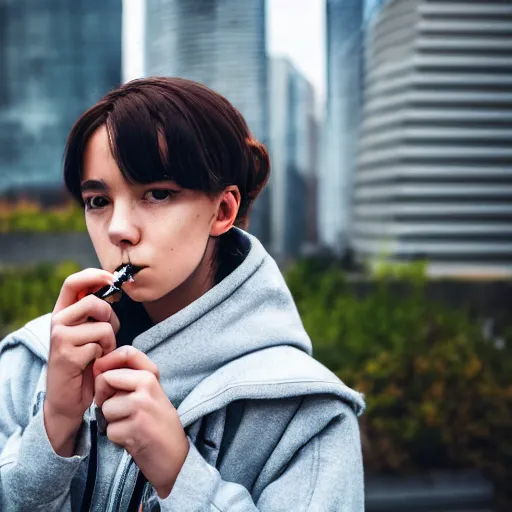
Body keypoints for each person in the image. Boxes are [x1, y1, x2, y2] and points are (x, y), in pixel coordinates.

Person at [0, 77, 365, 511]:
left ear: (223, 209)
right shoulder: (27, 363)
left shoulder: (306, 413)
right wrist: (54, 427)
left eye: (156, 194)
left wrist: (179, 473)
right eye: (98, 201)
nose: (118, 228)